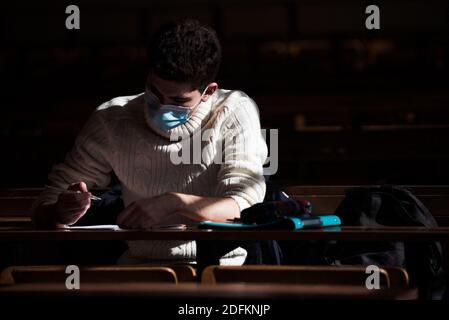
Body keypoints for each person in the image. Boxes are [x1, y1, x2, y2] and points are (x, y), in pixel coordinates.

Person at [33, 19, 268, 265]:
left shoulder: (234, 111)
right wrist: (60, 210)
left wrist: (175, 203)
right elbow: (45, 205)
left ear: (209, 91)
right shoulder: (113, 119)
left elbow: (246, 207)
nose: (162, 106)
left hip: (221, 268)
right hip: (139, 268)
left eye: (178, 101)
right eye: (154, 92)